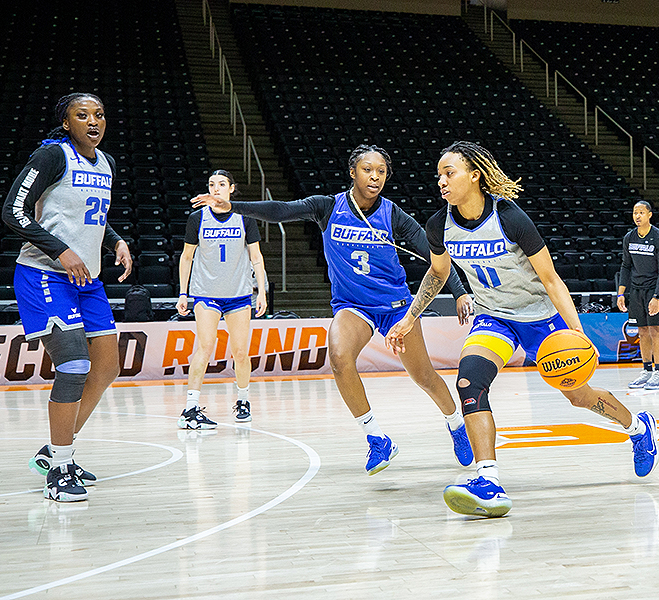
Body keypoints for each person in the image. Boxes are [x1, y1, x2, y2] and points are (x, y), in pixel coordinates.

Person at [385, 141, 658, 518]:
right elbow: (438, 272)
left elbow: (552, 280)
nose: (441, 182)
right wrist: (409, 318)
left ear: (474, 175)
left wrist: (579, 334)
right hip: (493, 318)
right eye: (439, 176)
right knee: (469, 381)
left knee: (578, 397)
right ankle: (488, 479)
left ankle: (638, 427)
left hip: (540, 319)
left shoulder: (510, 217)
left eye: (449, 173)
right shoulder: (439, 225)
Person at [193, 145, 475, 475]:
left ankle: (456, 424)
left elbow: (435, 256)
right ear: (353, 172)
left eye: (381, 172)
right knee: (339, 358)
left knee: (424, 376)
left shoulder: (393, 214)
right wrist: (234, 206)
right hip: (353, 306)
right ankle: (377, 438)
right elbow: (282, 210)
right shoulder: (328, 207)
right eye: (368, 170)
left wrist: (460, 292)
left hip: (395, 306)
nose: (375, 177)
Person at [3, 92, 132, 502]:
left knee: (107, 367)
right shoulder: (51, 156)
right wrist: (60, 250)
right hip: (44, 273)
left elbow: (92, 215)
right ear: (66, 123)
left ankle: (54, 451)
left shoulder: (107, 162)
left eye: (99, 114)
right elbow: (13, 211)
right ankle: (59, 468)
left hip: (87, 278)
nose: (93, 121)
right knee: (74, 364)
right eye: (82, 115)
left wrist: (115, 240)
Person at [176, 170, 268, 428]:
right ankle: (190, 408)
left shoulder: (244, 217)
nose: (216, 188)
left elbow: (256, 257)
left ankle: (243, 401)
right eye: (211, 184)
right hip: (206, 293)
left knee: (240, 351)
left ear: (231, 188)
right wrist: (183, 292)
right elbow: (186, 257)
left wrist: (261, 291)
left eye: (221, 184)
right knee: (205, 347)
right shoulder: (197, 218)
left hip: (239, 295)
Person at [616, 200, 659, 390]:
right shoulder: (629, 238)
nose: (637, 216)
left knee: (655, 330)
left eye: (641, 212)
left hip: (653, 290)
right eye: (634, 212)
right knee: (642, 331)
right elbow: (625, 266)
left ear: (649, 215)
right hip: (636, 290)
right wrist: (620, 294)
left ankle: (658, 372)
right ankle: (646, 370)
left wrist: (657, 296)